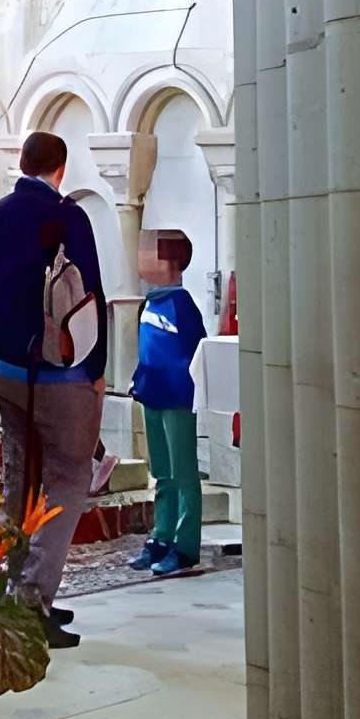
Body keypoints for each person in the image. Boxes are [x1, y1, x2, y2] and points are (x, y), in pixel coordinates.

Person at [0, 129, 107, 645]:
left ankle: (13, 592)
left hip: (6, 370)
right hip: (61, 376)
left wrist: (0, 349)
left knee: (19, 479)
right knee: (68, 480)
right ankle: (32, 603)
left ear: (22, 163)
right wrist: (96, 370)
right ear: (60, 169)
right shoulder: (68, 217)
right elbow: (89, 297)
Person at [128, 229, 206, 577]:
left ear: (172, 263)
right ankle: (160, 536)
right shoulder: (149, 303)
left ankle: (185, 545)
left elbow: (196, 350)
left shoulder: (182, 304)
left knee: (183, 472)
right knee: (161, 472)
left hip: (176, 398)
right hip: (152, 394)